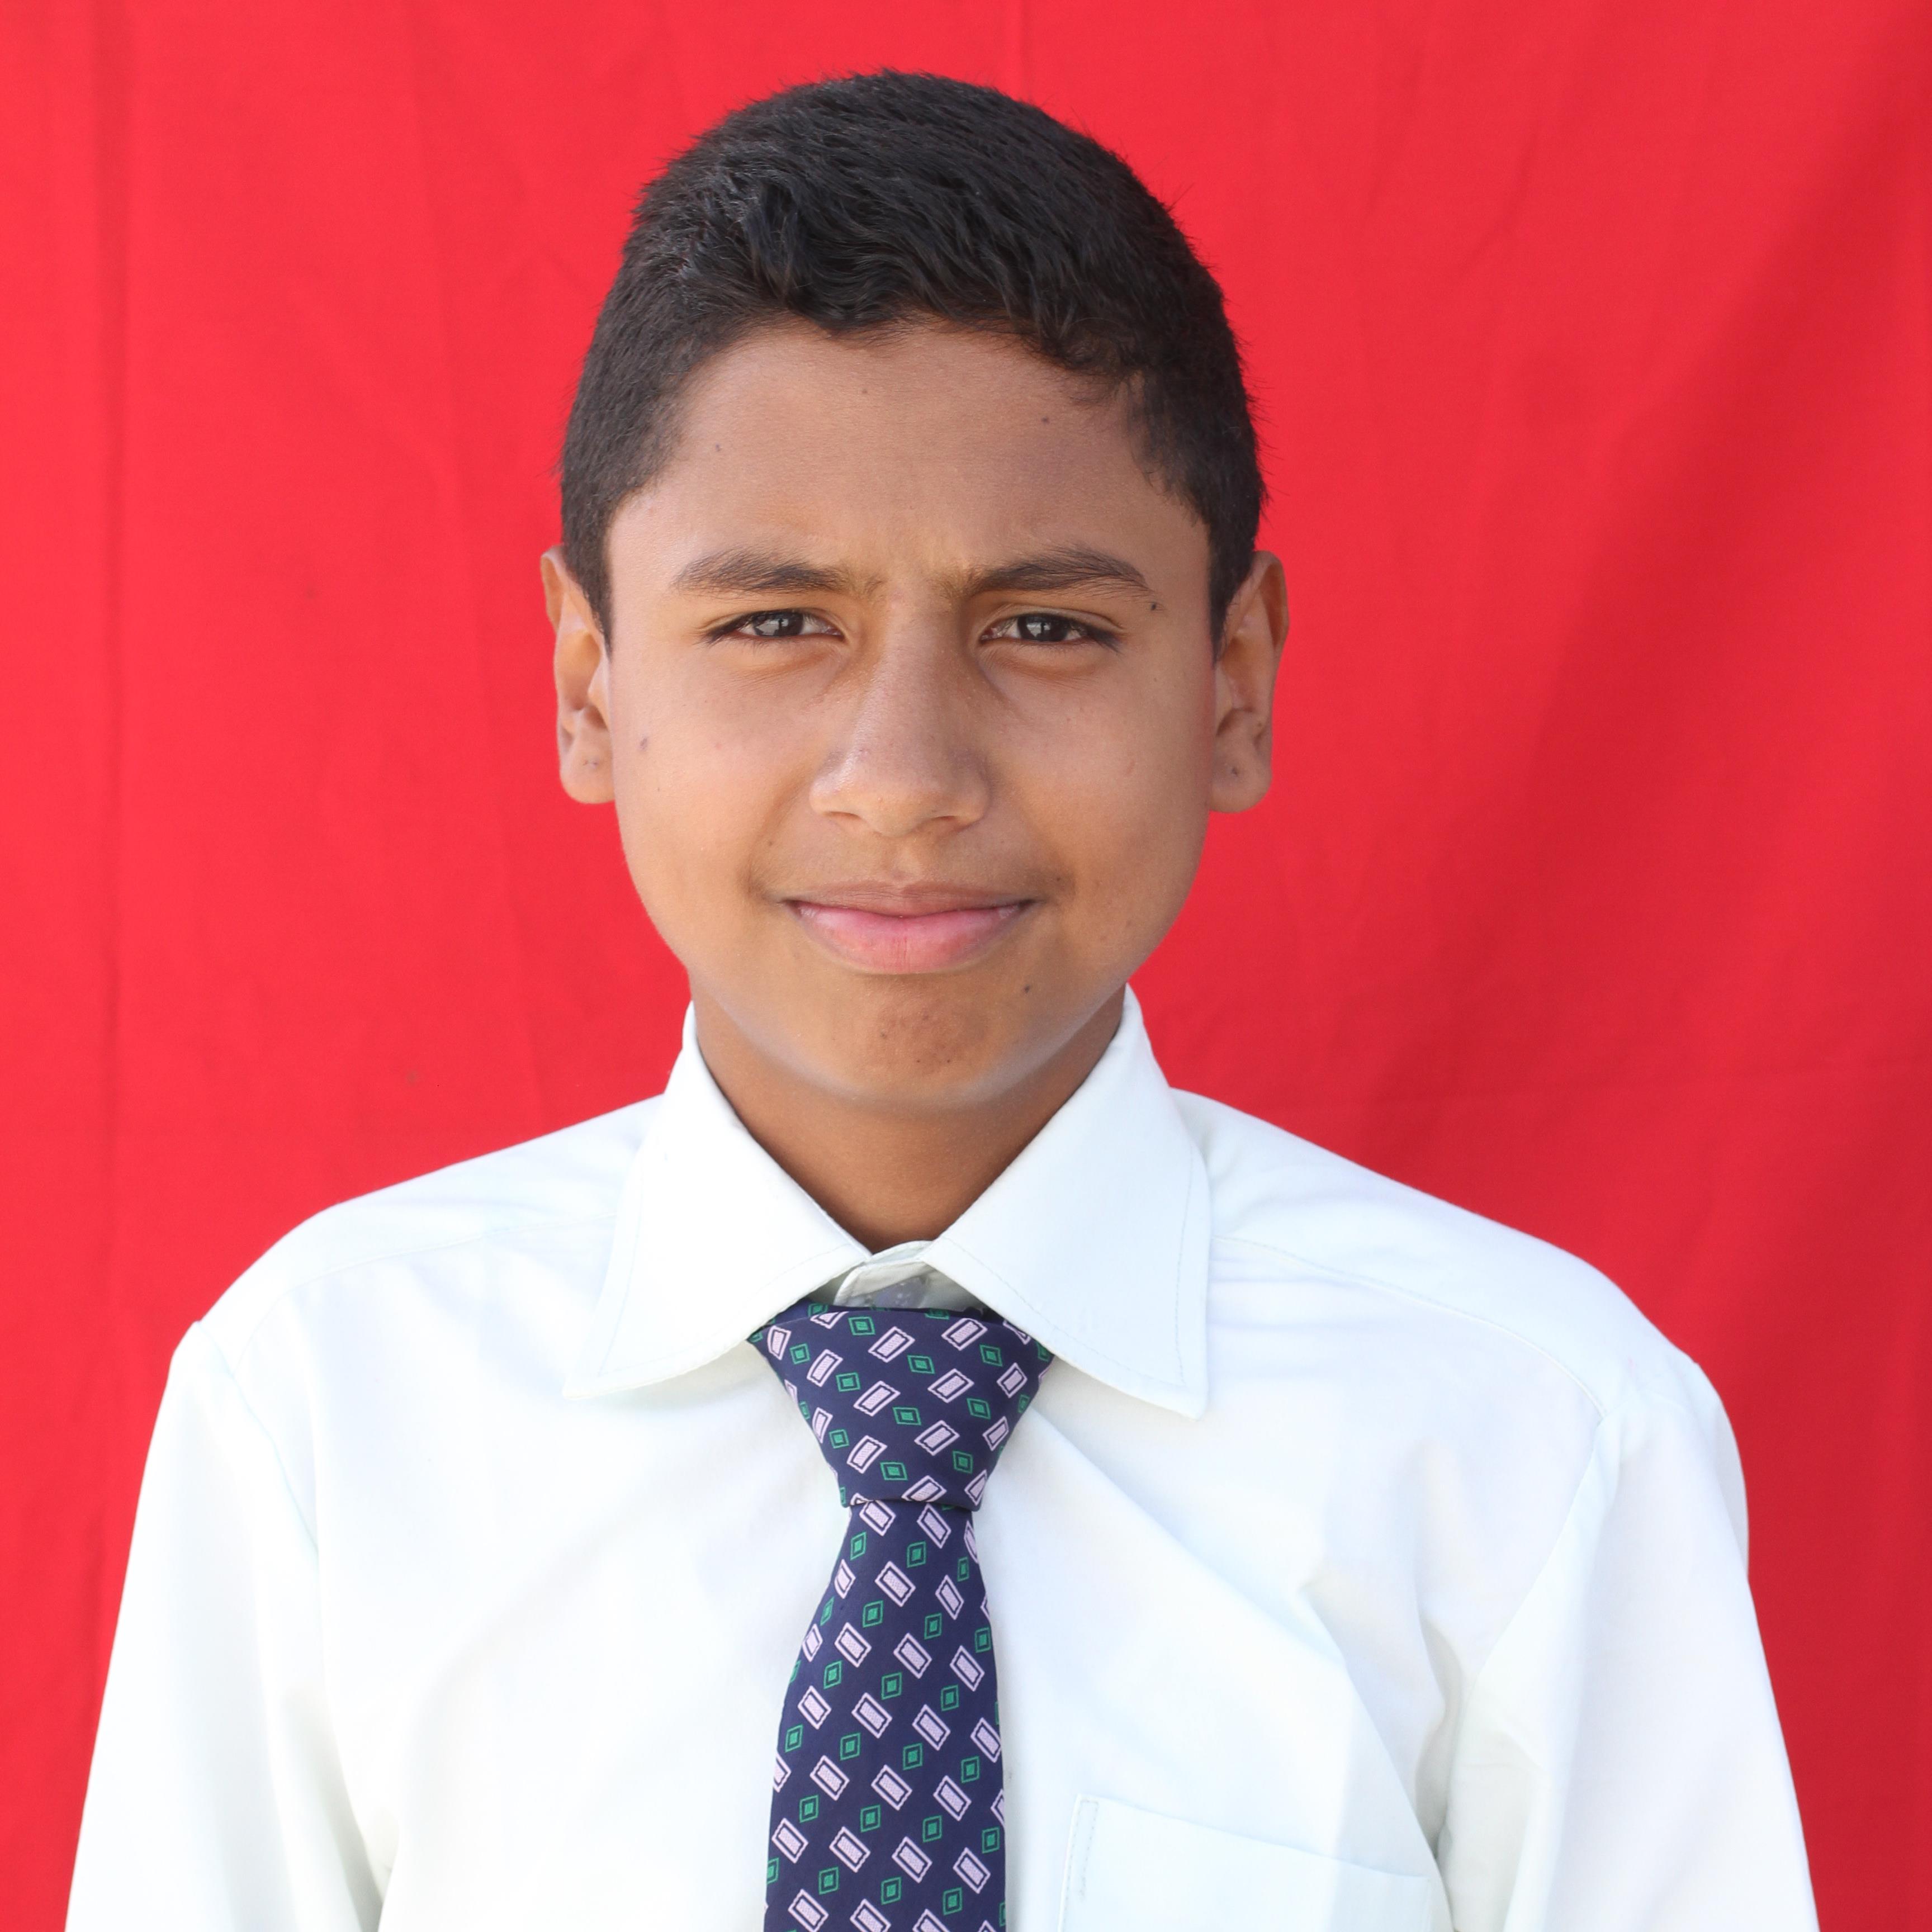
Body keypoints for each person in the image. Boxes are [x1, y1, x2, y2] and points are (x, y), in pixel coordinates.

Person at [65, 71, 1816, 1932]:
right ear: (589, 684)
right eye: (775, 624)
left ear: (1231, 685)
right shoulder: (326, 1412)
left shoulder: (1540, 1442)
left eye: (1047, 629)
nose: (903, 779)